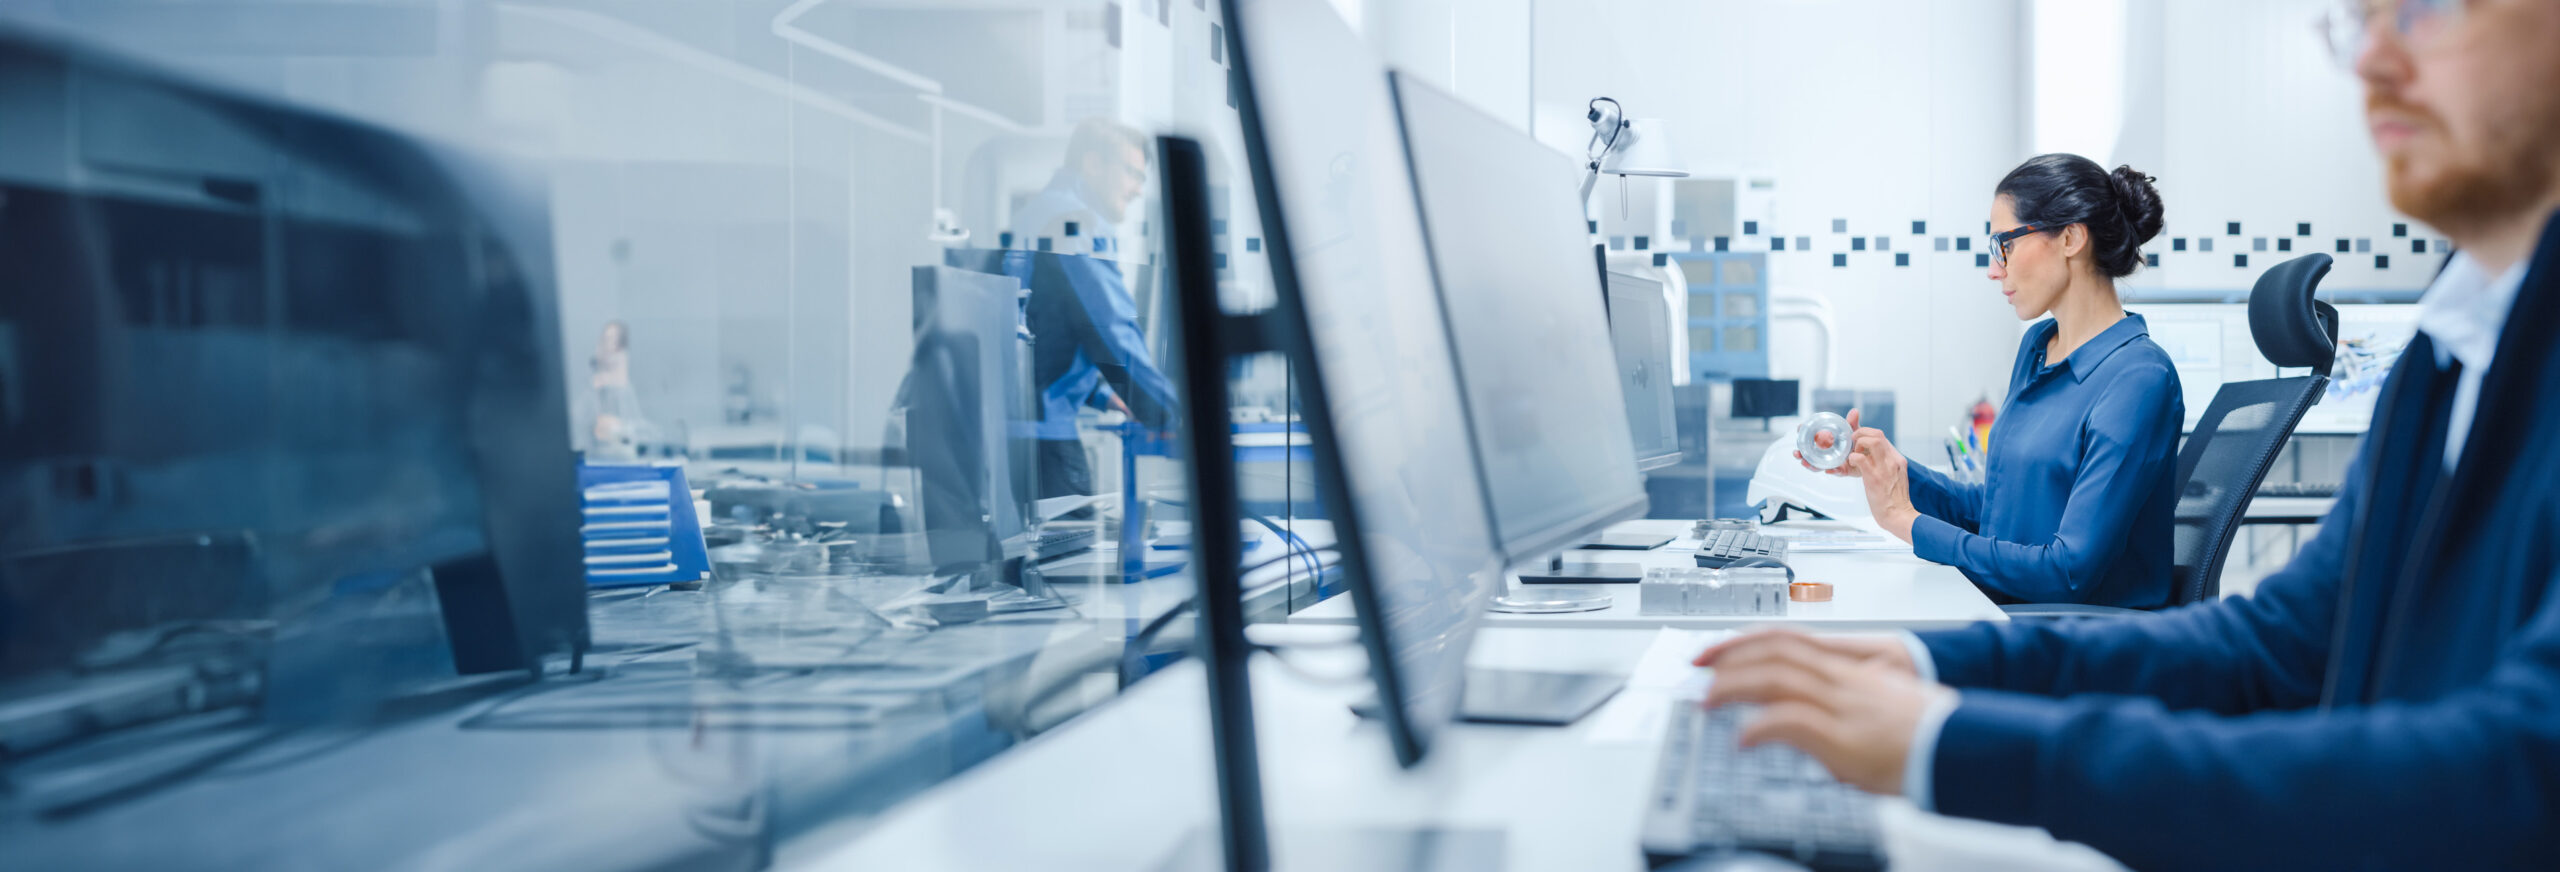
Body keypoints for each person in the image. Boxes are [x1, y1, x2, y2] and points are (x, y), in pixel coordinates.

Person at [1696, 0, 2560, 867]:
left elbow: (2515, 770)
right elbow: (2271, 646)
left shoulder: (2141, 377)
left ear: (2069, 240)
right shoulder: (2445, 363)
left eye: (2424, 11)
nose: (2370, 58)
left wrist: (1951, 743)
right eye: (2359, 19)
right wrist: (1921, 663)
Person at [1808, 155, 2181, 607]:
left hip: (2074, 638)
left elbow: (2067, 572)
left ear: (2070, 238)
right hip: (2014, 613)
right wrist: (1887, 467)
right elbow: (1997, 512)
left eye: (2004, 244)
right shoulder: (2039, 347)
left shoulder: (2139, 379)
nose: (1994, 268)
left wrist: (1906, 521)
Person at [1005, 117, 1178, 507]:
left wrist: (1105, 396)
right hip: (1042, 438)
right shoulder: (1071, 221)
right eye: (1132, 173)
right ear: (1093, 164)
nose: (1136, 190)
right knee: (1062, 557)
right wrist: (1172, 416)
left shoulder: (1039, 213)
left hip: (1017, 431)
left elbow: (1042, 328)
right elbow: (1108, 329)